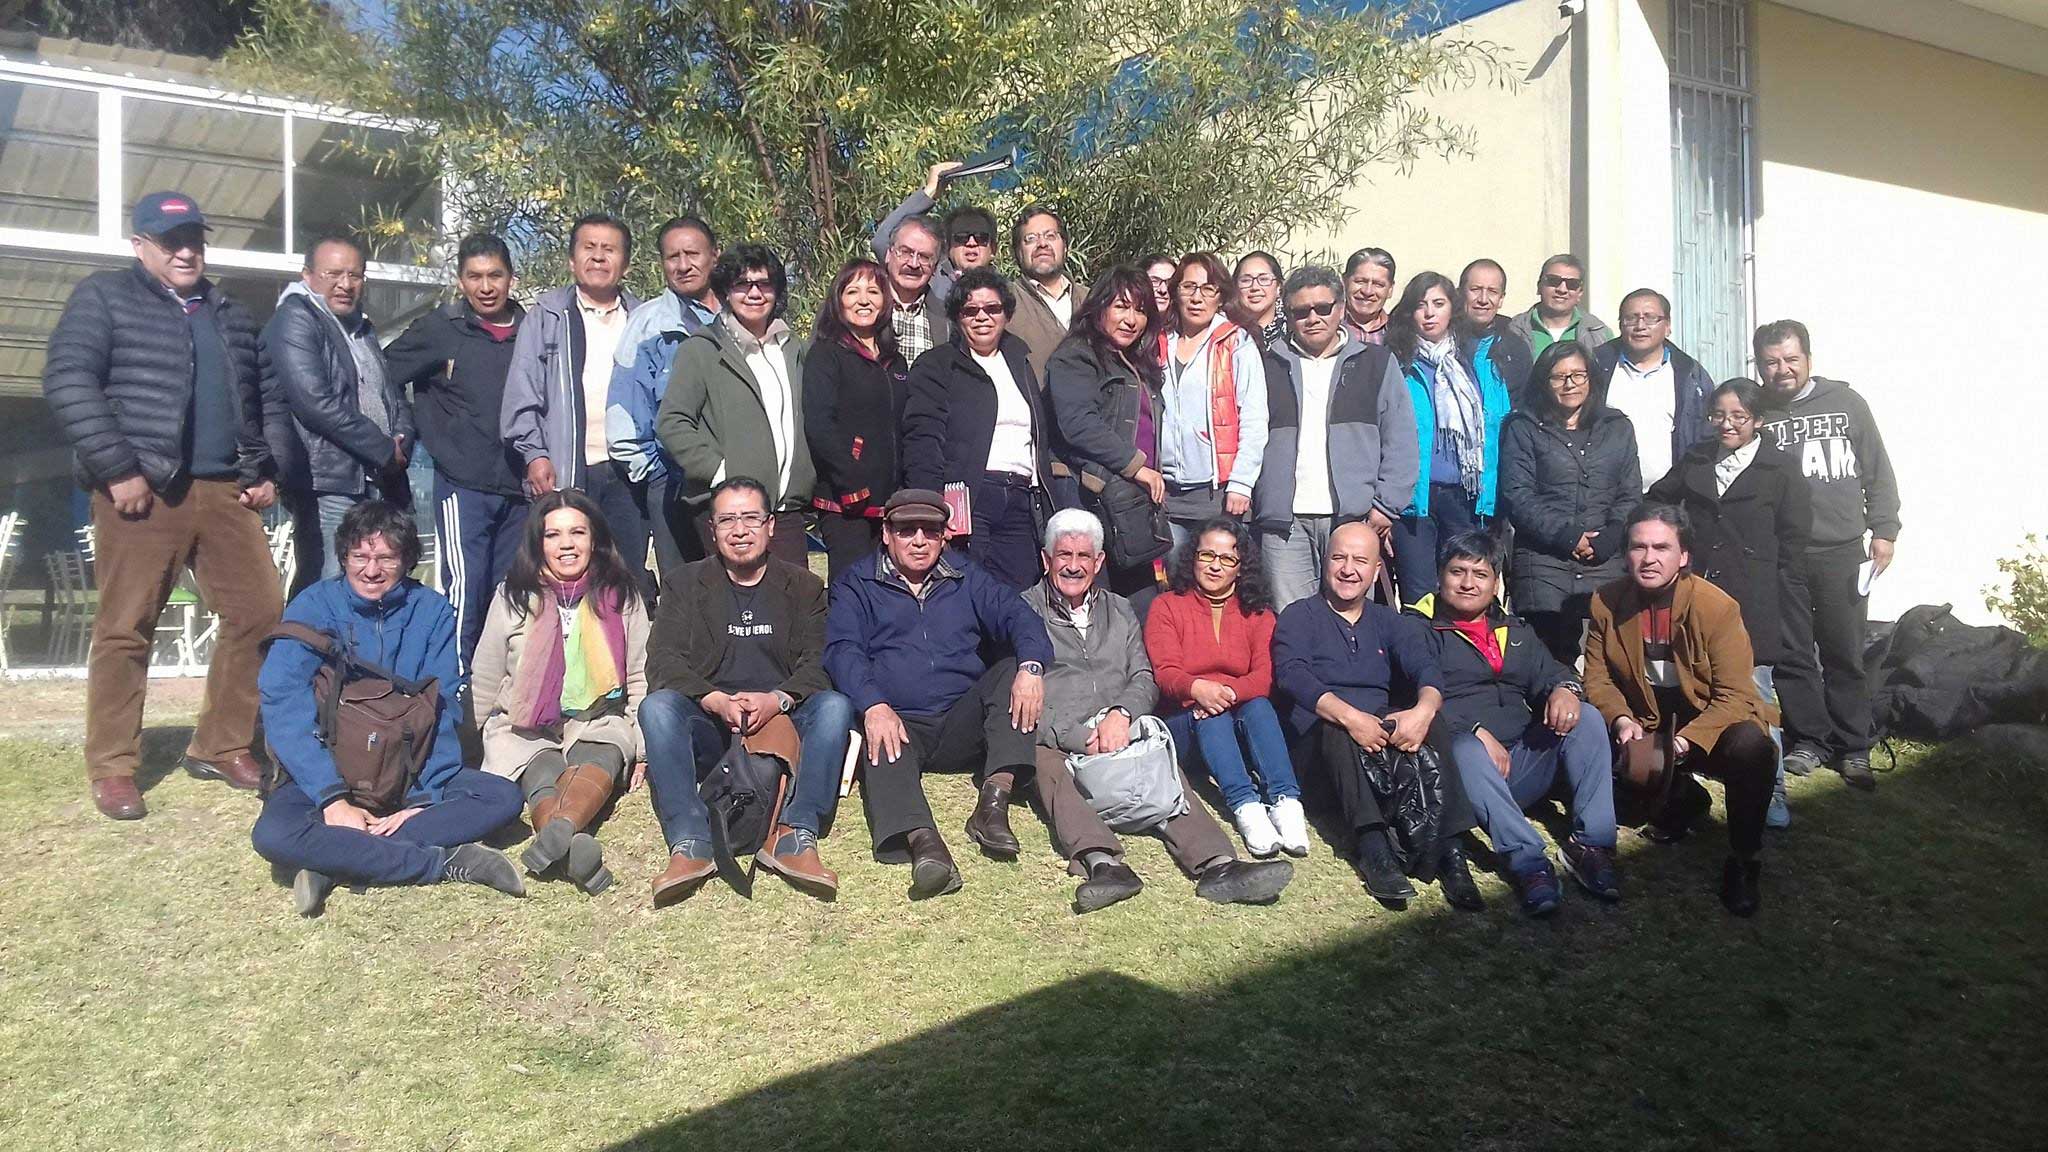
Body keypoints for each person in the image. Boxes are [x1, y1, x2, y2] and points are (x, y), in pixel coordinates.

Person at [41, 190, 286, 819]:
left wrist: (264, 469)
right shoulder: (104, 298)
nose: (185, 252)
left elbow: (263, 398)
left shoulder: (230, 312)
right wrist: (118, 468)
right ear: (140, 245)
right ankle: (113, 765)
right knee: (127, 628)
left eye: (194, 239)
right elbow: (68, 379)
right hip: (143, 491)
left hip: (225, 490)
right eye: (171, 240)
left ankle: (221, 743)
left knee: (260, 612)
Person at [251, 501, 525, 915]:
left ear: (407, 560)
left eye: (386, 558)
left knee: (501, 798)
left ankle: (333, 860)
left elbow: (443, 705)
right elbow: (282, 701)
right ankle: (443, 862)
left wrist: (423, 799)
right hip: (333, 770)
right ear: (344, 557)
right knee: (272, 836)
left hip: (406, 773)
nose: (371, 570)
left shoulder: (432, 610)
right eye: (359, 556)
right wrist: (332, 800)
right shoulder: (313, 605)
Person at [1022, 509, 1296, 912]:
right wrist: (1077, 735)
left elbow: (1144, 675)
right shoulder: (1023, 612)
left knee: (1161, 755)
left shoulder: (1120, 609)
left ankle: (1218, 865)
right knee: (1044, 763)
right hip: (1062, 733)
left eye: (1084, 556)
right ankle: (1104, 865)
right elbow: (1019, 695)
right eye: (1064, 555)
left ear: (1099, 562)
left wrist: (1122, 714)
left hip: (1121, 723)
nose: (1074, 566)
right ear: (1046, 559)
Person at [823, 490, 1055, 899]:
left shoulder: (966, 576)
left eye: (930, 531)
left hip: (961, 717)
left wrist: (1031, 666)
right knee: (879, 737)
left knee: (1010, 670)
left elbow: (1019, 616)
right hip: (900, 719)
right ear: (886, 533)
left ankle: (993, 804)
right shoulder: (855, 584)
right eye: (906, 530)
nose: (919, 540)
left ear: (944, 536)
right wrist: (874, 704)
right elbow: (843, 650)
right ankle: (925, 846)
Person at [637, 478, 856, 903]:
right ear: (713, 529)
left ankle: (795, 833)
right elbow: (663, 660)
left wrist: (776, 700)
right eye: (727, 520)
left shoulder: (804, 587)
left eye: (751, 518)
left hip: (781, 718)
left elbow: (818, 662)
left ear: (770, 525)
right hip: (712, 719)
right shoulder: (684, 584)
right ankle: (691, 841)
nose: (740, 530)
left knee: (834, 706)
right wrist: (713, 699)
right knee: (657, 707)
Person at [1273, 521, 1484, 909]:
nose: (1348, 569)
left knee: (1433, 719)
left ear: (1375, 570)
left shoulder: (1389, 620)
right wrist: (1351, 718)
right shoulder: (1299, 616)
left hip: (1379, 739)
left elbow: (1426, 668)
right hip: (1321, 753)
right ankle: (1373, 849)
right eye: (1339, 558)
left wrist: (1422, 711)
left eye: (1360, 560)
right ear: (1324, 561)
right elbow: (1292, 675)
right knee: (1334, 725)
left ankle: (1452, 850)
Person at [1408, 532, 1619, 918]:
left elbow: (1553, 672)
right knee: (1465, 749)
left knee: (1585, 717)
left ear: (1496, 583)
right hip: (1462, 770)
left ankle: (1591, 845)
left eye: (1480, 574)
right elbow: (1411, 699)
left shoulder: (1515, 630)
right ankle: (1529, 862)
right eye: (1457, 572)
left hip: (1520, 762)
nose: (1468, 583)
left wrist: (1566, 689)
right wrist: (1472, 730)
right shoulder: (1417, 630)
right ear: (1440, 576)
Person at [1583, 504, 1778, 916]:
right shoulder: (1606, 601)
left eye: (1661, 548)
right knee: (1621, 769)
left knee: (1753, 747)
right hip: (1647, 720)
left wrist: (1686, 742)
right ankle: (1682, 798)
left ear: (1684, 556)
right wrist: (1621, 720)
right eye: (1638, 547)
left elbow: (1735, 695)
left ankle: (1744, 859)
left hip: (1710, 722)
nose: (1648, 558)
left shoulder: (1717, 608)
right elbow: (1597, 680)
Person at [1649, 378, 1821, 828]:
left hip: (1755, 599)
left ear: (1758, 420)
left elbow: (1794, 540)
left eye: (1738, 417)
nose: (1727, 424)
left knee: (1755, 695)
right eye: (1719, 415)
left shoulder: (1780, 469)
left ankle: (1772, 793)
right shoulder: (1698, 458)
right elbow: (1657, 501)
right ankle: (1686, 784)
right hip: (1697, 595)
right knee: (1689, 687)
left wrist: (1777, 593)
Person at [471, 489, 650, 896]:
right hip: (525, 725)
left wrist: (641, 750)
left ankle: (559, 831)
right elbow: (486, 673)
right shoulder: (513, 596)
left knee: (602, 755)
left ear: (595, 539)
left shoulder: (622, 594)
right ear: (539, 543)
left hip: (596, 718)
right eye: (553, 535)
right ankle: (568, 845)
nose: (566, 544)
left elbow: (641, 674)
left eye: (577, 533)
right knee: (541, 769)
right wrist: (471, 744)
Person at [1751, 320, 1901, 792]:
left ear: (1809, 360)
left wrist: (1885, 530)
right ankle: (1809, 739)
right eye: (1771, 362)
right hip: (1784, 554)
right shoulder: (1757, 412)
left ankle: (1853, 746)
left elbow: (1877, 469)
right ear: (1759, 366)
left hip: (1841, 549)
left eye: (1791, 359)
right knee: (1793, 653)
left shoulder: (1846, 403)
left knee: (1844, 652)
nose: (1782, 369)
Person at [382, 232, 530, 676]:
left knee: (511, 596)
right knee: (465, 593)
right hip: (462, 486)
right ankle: (455, 690)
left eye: (494, 276)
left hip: (520, 488)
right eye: (474, 277)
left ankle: (502, 692)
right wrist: (409, 429)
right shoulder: (440, 329)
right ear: (461, 281)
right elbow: (382, 374)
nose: (485, 287)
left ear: (511, 278)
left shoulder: (533, 329)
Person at [1251, 264, 1417, 608]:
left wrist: (1386, 506)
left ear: (1340, 309)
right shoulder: (1265, 365)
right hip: (1284, 523)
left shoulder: (1376, 363)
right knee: (1291, 619)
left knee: (1349, 617)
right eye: (1301, 311)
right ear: (1288, 316)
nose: (1313, 318)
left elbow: (1401, 439)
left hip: (1353, 517)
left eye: (1322, 308)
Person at [499, 212, 648, 594]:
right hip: (566, 471)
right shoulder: (547, 316)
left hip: (629, 474)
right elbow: (522, 392)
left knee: (626, 577)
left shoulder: (643, 320)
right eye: (589, 247)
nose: (598, 257)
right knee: (563, 580)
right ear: (571, 259)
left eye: (609, 249)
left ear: (626, 264)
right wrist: (535, 455)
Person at [1145, 519, 1307, 857]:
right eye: (1207, 555)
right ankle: (1246, 806)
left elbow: (1265, 676)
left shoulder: (1259, 614)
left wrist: (1224, 693)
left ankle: (1285, 802)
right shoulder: (1167, 606)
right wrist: (1197, 688)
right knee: (1211, 714)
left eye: (1227, 558)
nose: (1215, 566)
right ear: (1192, 557)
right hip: (1185, 723)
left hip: (1240, 717)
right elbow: (1165, 673)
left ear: (1240, 566)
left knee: (1259, 705)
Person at [267, 232, 415, 593]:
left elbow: (392, 393)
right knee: (328, 584)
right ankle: (303, 635)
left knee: (376, 584)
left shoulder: (362, 328)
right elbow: (315, 403)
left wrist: (402, 440)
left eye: (355, 275)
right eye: (333, 274)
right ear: (308, 275)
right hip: (329, 483)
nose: (346, 284)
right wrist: (383, 449)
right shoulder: (296, 319)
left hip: (377, 479)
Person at [656, 244, 813, 564]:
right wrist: (721, 473)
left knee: (792, 592)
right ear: (726, 291)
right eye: (743, 284)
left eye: (764, 283)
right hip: (728, 507)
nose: (754, 293)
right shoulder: (702, 350)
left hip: (785, 510)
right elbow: (672, 421)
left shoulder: (793, 348)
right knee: (732, 594)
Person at [901, 267, 1054, 589]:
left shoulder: (1020, 362)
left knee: (1017, 597)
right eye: (970, 310)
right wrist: (931, 509)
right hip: (969, 499)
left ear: (1006, 314)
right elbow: (923, 439)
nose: (982, 317)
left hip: (1021, 499)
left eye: (992, 308)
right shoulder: (937, 365)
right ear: (958, 317)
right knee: (966, 592)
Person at [1498, 340, 1643, 663]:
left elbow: (1630, 493)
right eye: (1558, 377)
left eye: (1578, 375)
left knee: (1610, 659)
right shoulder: (1524, 427)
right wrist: (1567, 535)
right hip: (1543, 561)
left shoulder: (1617, 427)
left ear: (1591, 378)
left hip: (1605, 559)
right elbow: (1518, 494)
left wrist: (1611, 535)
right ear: (1544, 382)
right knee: (1547, 661)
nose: (1569, 384)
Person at [608, 216, 725, 580]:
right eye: (673, 256)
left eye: (693, 254)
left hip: (737, 482)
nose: (683, 265)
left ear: (715, 255)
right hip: (673, 484)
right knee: (685, 591)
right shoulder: (647, 325)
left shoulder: (741, 314)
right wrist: (657, 476)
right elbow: (624, 413)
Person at [1044, 265, 1170, 596]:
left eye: (1140, 310)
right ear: (1100, 307)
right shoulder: (1076, 355)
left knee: (1138, 602)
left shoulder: (1135, 361)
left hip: (1130, 501)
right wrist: (1136, 466)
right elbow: (1078, 423)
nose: (1131, 319)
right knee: (1090, 597)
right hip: (1087, 494)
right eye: (1121, 306)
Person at [1385, 271, 1511, 602]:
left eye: (1438, 304)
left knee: (1464, 593)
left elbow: (1497, 426)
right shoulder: (1395, 363)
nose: (1429, 313)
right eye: (1420, 305)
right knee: (1419, 598)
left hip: (1465, 498)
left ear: (1452, 309)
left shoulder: (1476, 361)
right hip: (1414, 501)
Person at [805, 258, 913, 578]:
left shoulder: (896, 362)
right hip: (845, 504)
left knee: (889, 589)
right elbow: (820, 426)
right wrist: (851, 483)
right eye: (852, 291)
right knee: (852, 588)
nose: (863, 300)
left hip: (890, 502)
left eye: (873, 291)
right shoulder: (826, 354)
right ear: (838, 300)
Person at [1159, 253, 1268, 548]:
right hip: (1166, 493)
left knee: (1217, 570)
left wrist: (1242, 482)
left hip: (1218, 492)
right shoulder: (1158, 341)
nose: (1197, 298)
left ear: (1220, 296)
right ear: (1175, 292)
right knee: (1172, 573)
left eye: (1208, 289)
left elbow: (1254, 418)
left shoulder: (1236, 342)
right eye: (1188, 287)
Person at [1589, 289, 1712, 491]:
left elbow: (1703, 438)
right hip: (1606, 495)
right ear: (1620, 325)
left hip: (1668, 496)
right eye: (1631, 318)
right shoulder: (1595, 368)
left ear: (1667, 326)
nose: (1640, 326)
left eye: (1650, 318)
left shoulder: (1691, 375)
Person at [1008, 207, 1089, 378]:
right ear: (1017, 252)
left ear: (1065, 247)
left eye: (1050, 236)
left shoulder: (1093, 299)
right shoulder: (1004, 304)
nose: (1042, 244)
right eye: (1030, 239)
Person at [1506, 254, 1615, 357]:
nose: (1562, 290)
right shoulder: (1512, 330)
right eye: (1553, 281)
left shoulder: (1600, 334)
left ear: (1580, 292)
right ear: (1539, 286)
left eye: (1572, 284)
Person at [874, 214, 949, 364]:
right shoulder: (860, 307)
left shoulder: (948, 320)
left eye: (924, 257)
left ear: (935, 267)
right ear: (888, 254)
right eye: (906, 252)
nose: (914, 264)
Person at [1341, 247, 1396, 346]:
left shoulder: (1401, 333)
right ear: (1344, 282)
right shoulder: (1326, 327)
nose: (1367, 291)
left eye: (1378, 284)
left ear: (1390, 289)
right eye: (1360, 281)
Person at [1233, 251, 1286, 348]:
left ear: (1279, 287)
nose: (1255, 287)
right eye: (1246, 280)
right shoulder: (1226, 333)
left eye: (1264, 279)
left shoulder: (1293, 331)